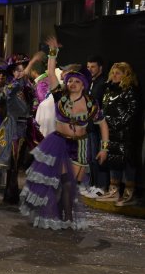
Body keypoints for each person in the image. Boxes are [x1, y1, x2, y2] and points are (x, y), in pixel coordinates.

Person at [19, 37, 109, 230]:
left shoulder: (91, 103)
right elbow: (51, 73)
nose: (73, 84)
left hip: (81, 145)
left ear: (84, 84)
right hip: (60, 143)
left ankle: (64, 215)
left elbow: (103, 125)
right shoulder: (60, 96)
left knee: (71, 185)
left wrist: (104, 148)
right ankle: (66, 217)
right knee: (64, 183)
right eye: (71, 81)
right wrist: (53, 53)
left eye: (77, 81)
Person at [0, 54, 39, 204]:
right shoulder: (12, 86)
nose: (19, 72)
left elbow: (34, 102)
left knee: (20, 161)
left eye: (22, 69)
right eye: (16, 70)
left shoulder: (29, 86)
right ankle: (11, 193)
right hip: (14, 127)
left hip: (27, 126)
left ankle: (12, 193)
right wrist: (31, 62)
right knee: (13, 163)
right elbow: (14, 88)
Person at [96, 62, 139, 206]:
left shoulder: (129, 90)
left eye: (118, 73)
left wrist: (114, 123)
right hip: (110, 133)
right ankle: (114, 191)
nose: (114, 75)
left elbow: (132, 112)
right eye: (113, 73)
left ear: (126, 75)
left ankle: (129, 194)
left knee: (127, 163)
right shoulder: (108, 90)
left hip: (125, 135)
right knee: (113, 161)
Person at [83, 55, 108, 199]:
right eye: (88, 67)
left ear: (100, 68)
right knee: (90, 158)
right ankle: (93, 185)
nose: (90, 69)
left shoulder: (103, 83)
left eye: (93, 67)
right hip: (89, 127)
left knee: (99, 157)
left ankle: (101, 187)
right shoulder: (89, 82)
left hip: (98, 128)